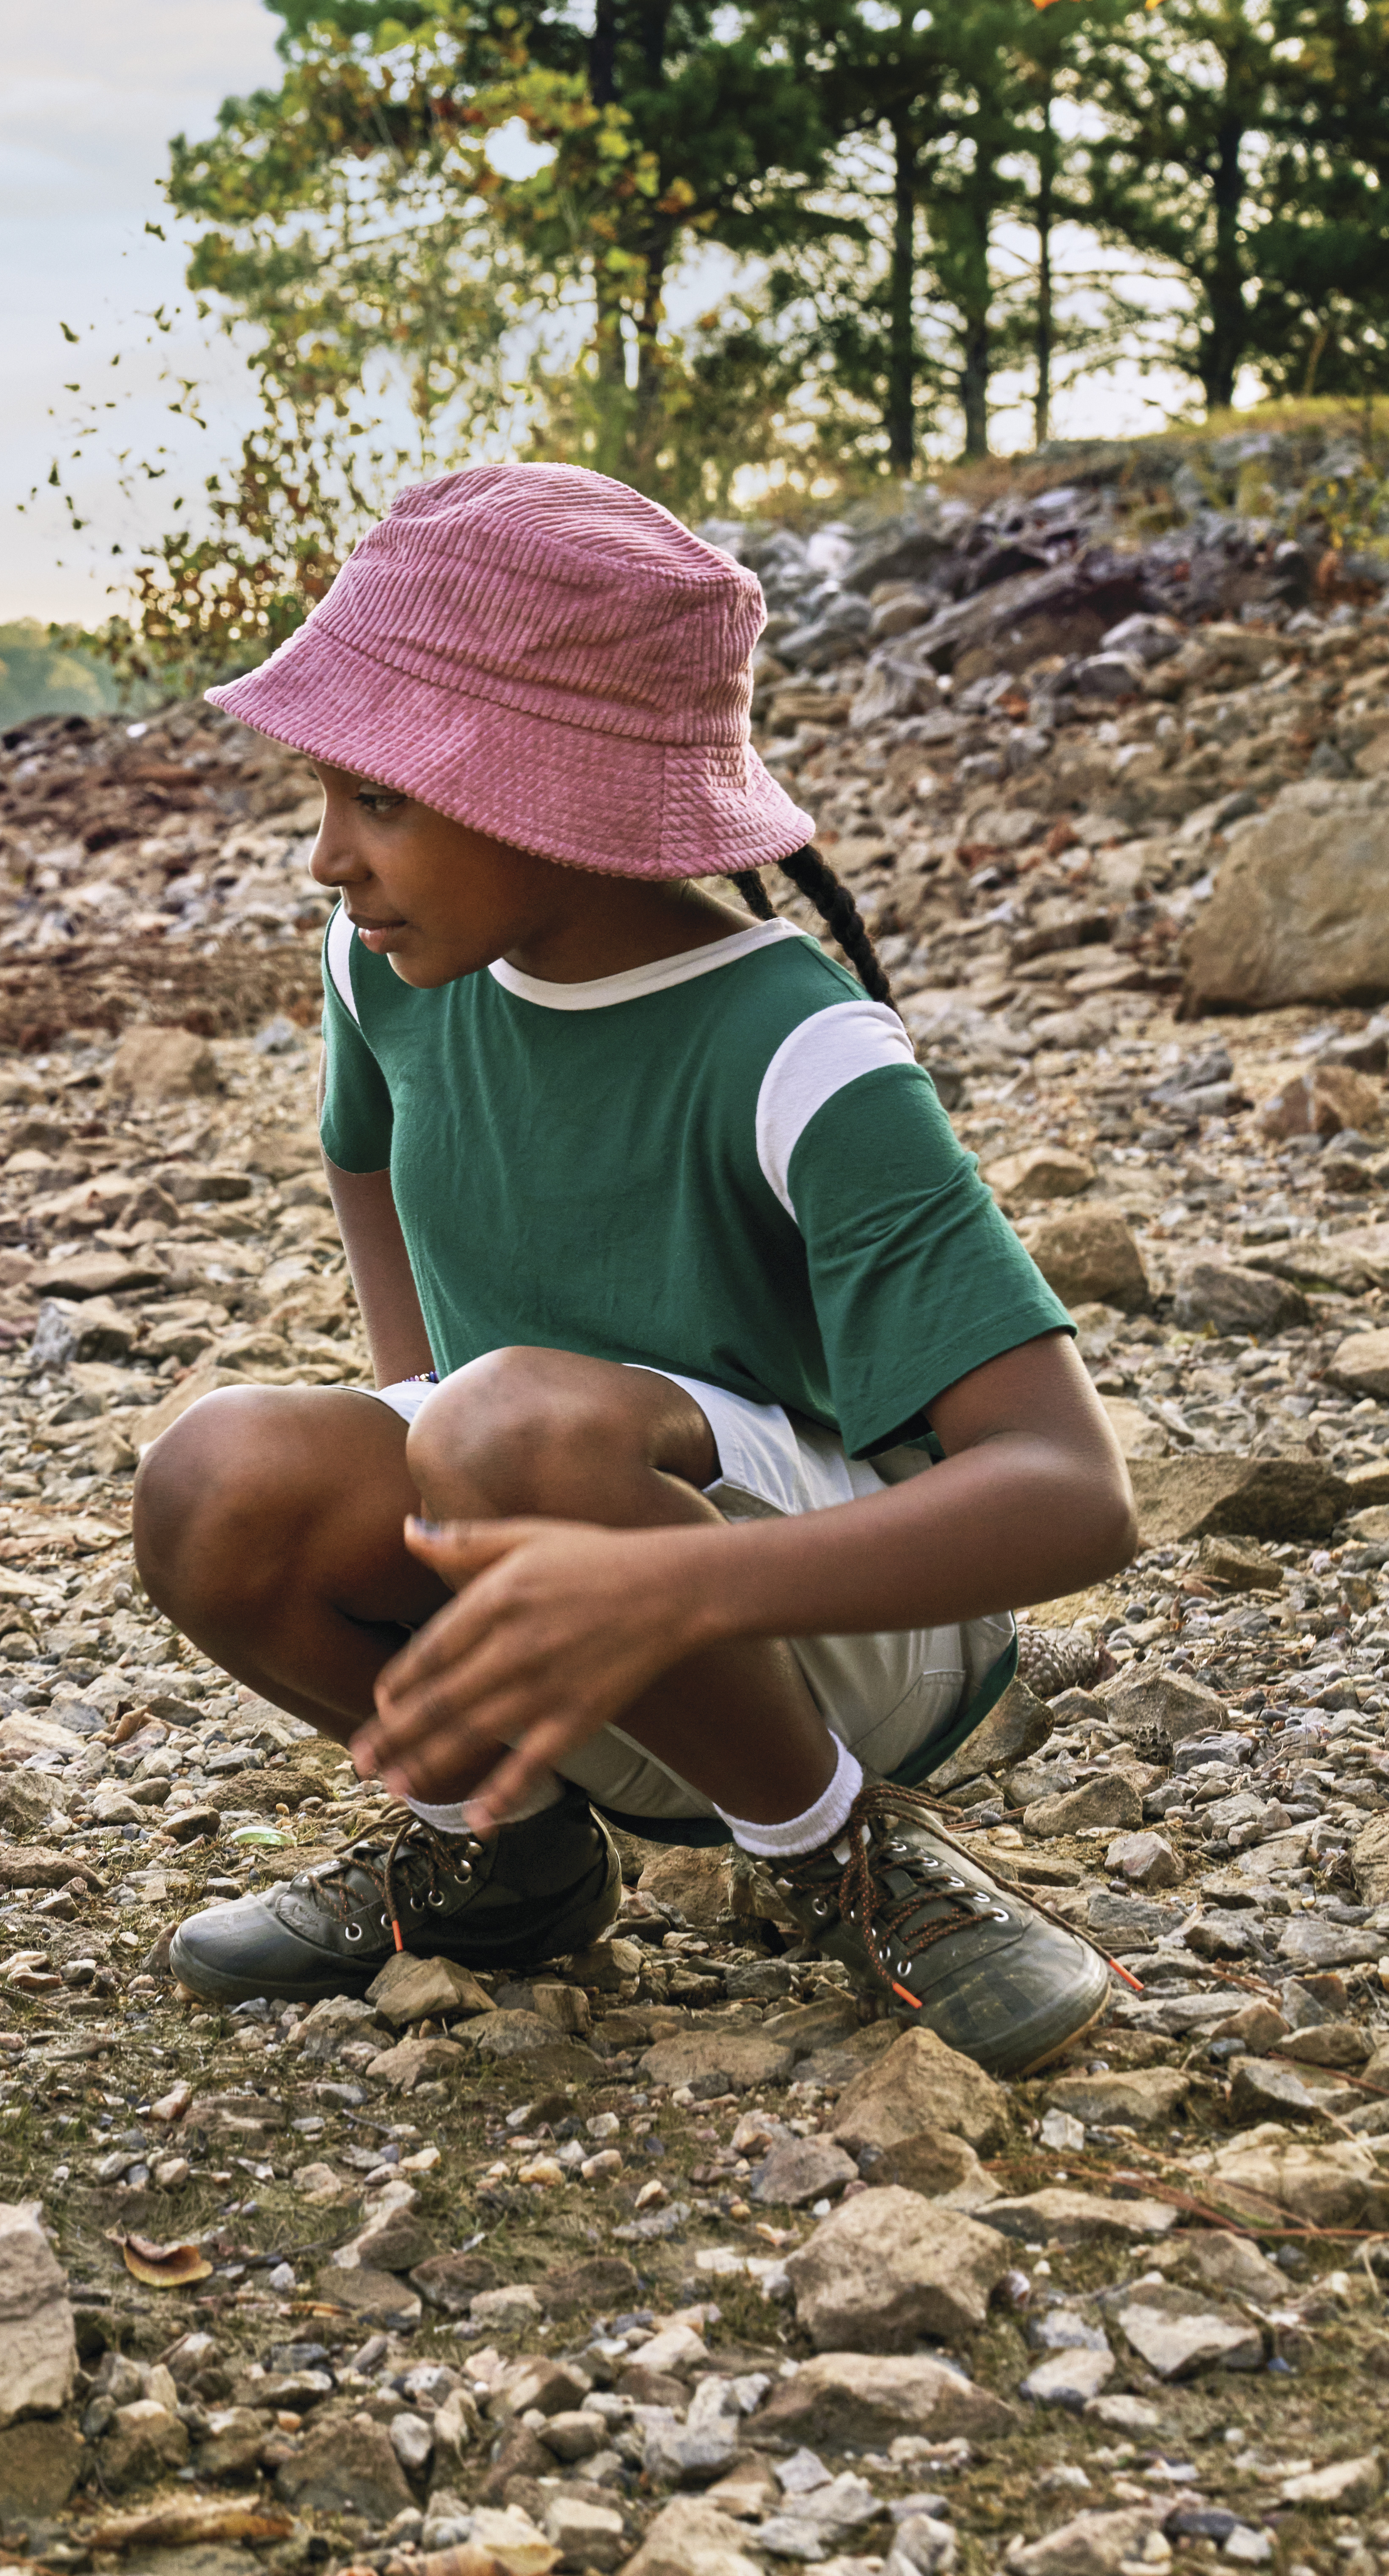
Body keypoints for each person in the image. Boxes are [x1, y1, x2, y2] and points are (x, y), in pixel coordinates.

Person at [134, 462, 1137, 2078]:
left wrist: (674, 1577)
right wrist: (418, 1416)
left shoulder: (799, 1052)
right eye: (326, 796)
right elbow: (364, 1152)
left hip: (844, 1638)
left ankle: (843, 1857)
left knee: (503, 1429)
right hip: (562, 1608)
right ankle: (507, 1848)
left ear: (563, 799)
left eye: (378, 800)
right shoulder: (384, 961)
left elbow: (1076, 1491)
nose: (328, 857)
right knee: (212, 1478)